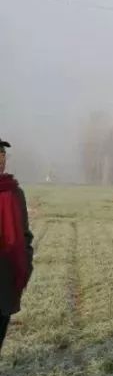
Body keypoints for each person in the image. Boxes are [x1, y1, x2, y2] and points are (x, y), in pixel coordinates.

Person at [0, 137, 33, 354]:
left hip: (5, 277)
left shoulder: (14, 192)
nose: (1, 160)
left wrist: (26, 263)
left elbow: (25, 234)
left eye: (3, 155)